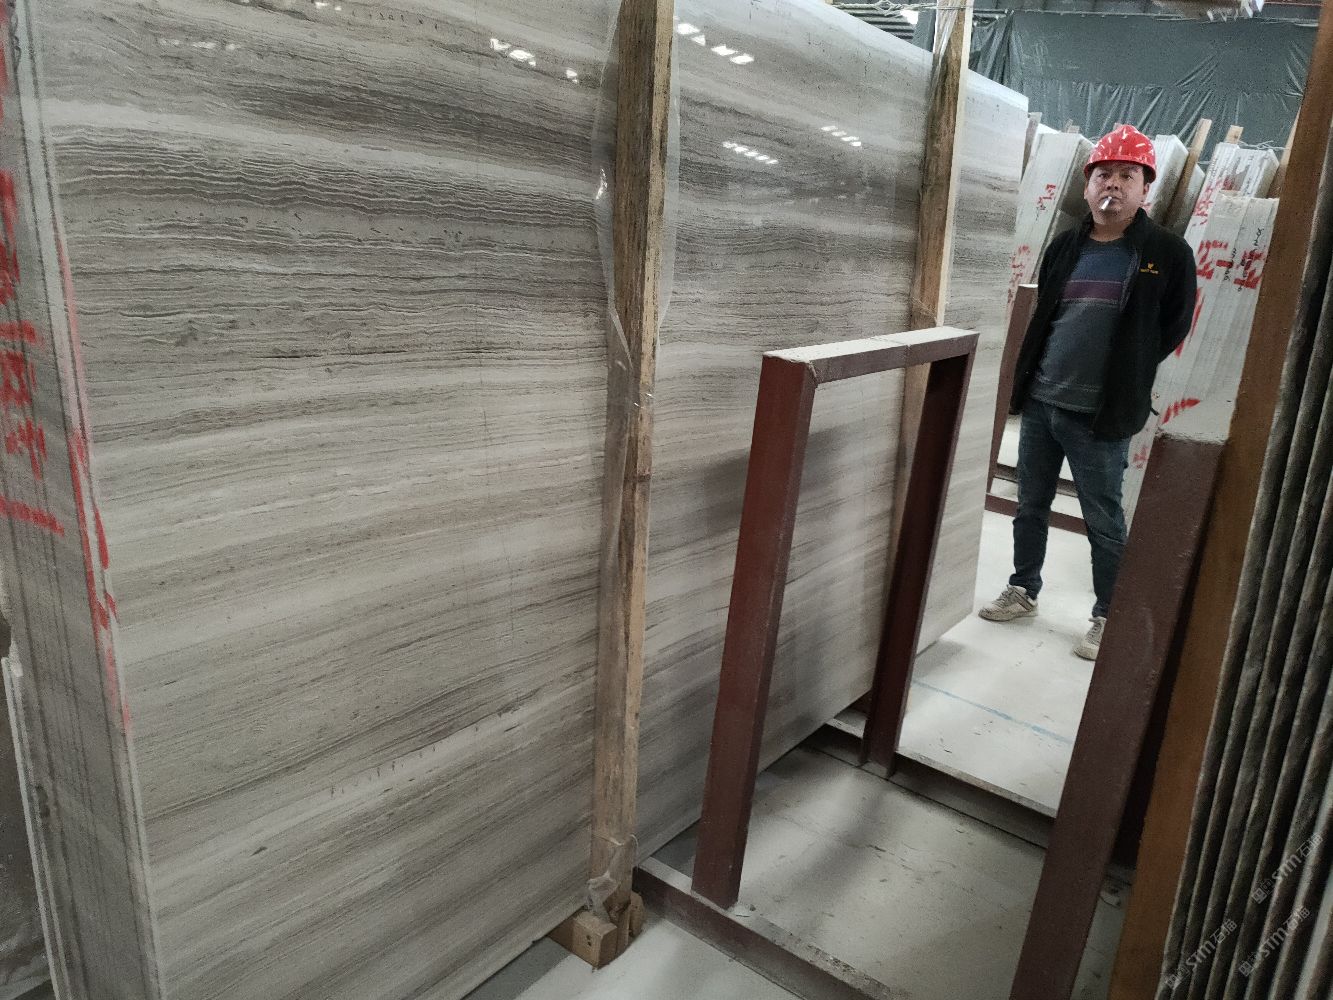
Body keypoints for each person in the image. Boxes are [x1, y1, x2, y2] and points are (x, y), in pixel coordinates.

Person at [979, 124, 1197, 660]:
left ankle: (1107, 615)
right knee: (1030, 505)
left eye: (1127, 175)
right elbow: (1045, 318)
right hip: (1043, 403)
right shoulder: (1064, 246)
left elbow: (1174, 324)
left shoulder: (1166, 252)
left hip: (1100, 416)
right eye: (1103, 174)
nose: (1113, 184)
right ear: (1087, 184)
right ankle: (1023, 589)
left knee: (1103, 520)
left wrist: (1129, 371)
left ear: (1145, 188)